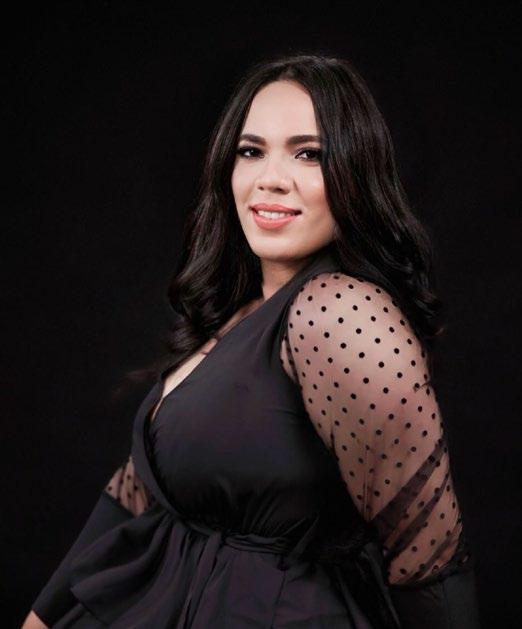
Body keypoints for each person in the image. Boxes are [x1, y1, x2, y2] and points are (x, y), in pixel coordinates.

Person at [24, 53, 481, 628]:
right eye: (251, 151)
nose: (271, 178)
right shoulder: (238, 311)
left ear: (356, 173)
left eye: (309, 154)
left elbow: (427, 559)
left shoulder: (339, 310)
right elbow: (133, 497)